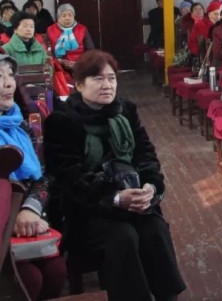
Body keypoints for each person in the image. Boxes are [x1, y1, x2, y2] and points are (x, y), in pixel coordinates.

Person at [44, 50, 185, 300]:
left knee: (155, 228)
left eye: (111, 78)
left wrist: (151, 187)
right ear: (79, 84)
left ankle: (168, 297)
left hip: (134, 200)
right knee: (123, 237)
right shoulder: (62, 121)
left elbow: (146, 156)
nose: (107, 85)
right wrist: (116, 198)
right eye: (98, 79)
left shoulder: (125, 111)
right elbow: (69, 177)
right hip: (88, 209)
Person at [0, 54, 67, 301]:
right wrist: (13, 218)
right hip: (2, 224)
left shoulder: (20, 125)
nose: (8, 83)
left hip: (28, 219)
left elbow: (42, 176)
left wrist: (31, 209)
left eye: (9, 76)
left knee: (57, 272)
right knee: (30, 280)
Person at [46, 4, 94, 70]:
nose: (67, 18)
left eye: (70, 15)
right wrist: (59, 61)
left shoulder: (82, 29)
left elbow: (90, 50)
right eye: (64, 15)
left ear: (74, 16)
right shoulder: (50, 30)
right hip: (58, 67)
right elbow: (47, 51)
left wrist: (78, 63)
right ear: (58, 17)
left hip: (80, 66)